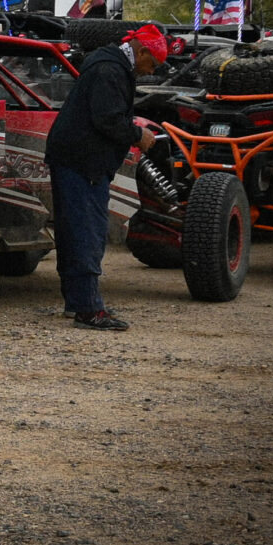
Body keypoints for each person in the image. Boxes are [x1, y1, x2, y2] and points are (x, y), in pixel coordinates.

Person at [44, 24, 167, 330]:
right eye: (152, 64)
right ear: (141, 52)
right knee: (87, 233)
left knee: (75, 232)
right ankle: (88, 309)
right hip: (83, 162)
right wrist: (139, 134)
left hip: (74, 158)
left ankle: (79, 304)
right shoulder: (111, 71)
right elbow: (107, 119)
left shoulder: (107, 65)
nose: (151, 72)